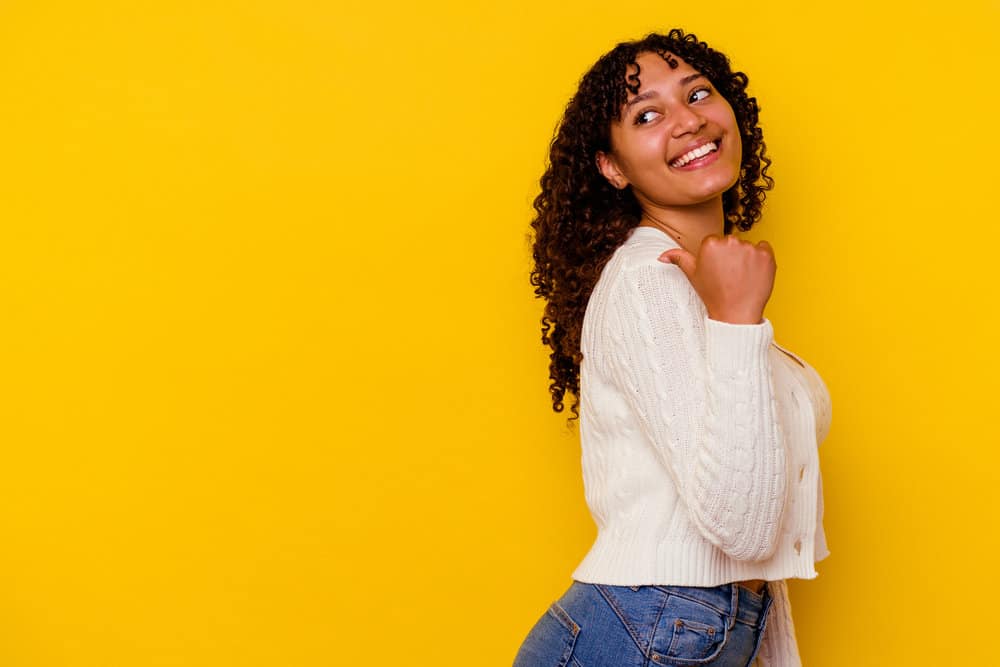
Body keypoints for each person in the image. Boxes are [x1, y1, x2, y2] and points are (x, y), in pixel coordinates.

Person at [513, 29, 831, 667]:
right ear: (612, 166)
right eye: (648, 115)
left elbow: (740, 564)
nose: (689, 121)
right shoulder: (646, 282)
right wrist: (740, 319)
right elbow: (739, 528)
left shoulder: (694, 287)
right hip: (642, 627)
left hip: (674, 627)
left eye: (699, 93)